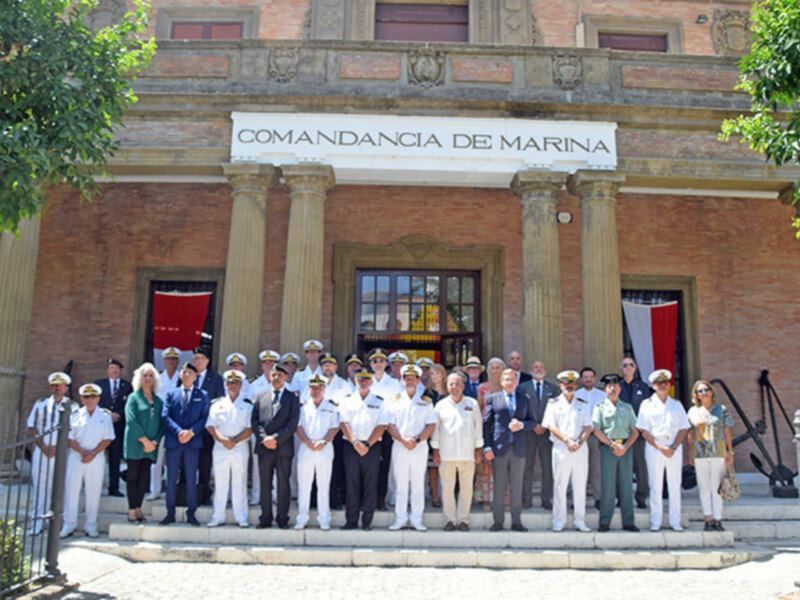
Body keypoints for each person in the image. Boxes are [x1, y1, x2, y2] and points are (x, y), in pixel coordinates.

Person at [636, 369, 689, 532]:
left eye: (666, 383)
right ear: (653, 386)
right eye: (659, 383)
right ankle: (655, 520)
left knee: (674, 485)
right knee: (655, 484)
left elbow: (683, 428)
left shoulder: (676, 405)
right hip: (654, 448)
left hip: (674, 447)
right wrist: (660, 447)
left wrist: (673, 447)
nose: (663, 385)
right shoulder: (646, 405)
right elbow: (644, 430)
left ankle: (675, 520)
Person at [483, 368, 535, 532]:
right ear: (501, 381)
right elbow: (486, 424)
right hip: (499, 448)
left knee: (516, 486)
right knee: (499, 486)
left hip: (518, 448)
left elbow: (533, 422)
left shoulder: (524, 399)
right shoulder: (493, 398)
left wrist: (522, 425)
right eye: (506, 379)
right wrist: (487, 446)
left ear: (516, 381)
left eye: (512, 379)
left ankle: (516, 521)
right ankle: (498, 521)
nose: (509, 382)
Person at [60, 383, 115, 538]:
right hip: (77, 457)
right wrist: (83, 452)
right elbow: (68, 438)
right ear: (82, 399)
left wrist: (92, 453)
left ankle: (91, 525)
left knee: (94, 491)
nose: (89, 400)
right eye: (86, 397)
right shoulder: (74, 415)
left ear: (98, 398)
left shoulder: (104, 416)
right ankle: (68, 524)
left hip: (96, 458)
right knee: (71, 491)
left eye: (93, 397)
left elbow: (108, 438)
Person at [430, 373, 483, 531]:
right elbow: (436, 430)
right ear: (447, 387)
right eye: (451, 384)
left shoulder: (472, 404)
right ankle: (449, 520)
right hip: (447, 455)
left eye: (457, 384)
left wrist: (478, 449)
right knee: (447, 488)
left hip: (468, 455)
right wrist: (435, 450)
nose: (454, 387)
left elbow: (478, 428)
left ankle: (463, 520)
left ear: (463, 386)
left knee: (467, 488)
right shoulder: (440, 405)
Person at [542, 370, 593, 532]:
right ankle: (559, 520)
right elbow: (551, 426)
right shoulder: (553, 404)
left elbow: (588, 426)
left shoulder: (582, 403)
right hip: (561, 448)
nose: (569, 387)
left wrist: (578, 442)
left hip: (579, 448)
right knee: (560, 485)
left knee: (580, 485)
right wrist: (567, 440)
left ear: (576, 385)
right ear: (561, 385)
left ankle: (580, 520)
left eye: (571, 384)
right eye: (565, 384)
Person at [338, 368, 389, 530]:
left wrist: (367, 444)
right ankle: (351, 520)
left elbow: (382, 425)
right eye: (360, 379)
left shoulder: (380, 401)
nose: (363, 382)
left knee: (370, 484)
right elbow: (343, 423)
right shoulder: (346, 401)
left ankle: (367, 521)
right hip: (351, 446)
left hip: (372, 447)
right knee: (351, 483)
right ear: (355, 381)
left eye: (366, 380)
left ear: (371, 382)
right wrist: (355, 442)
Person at [387, 365, 436, 531]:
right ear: (402, 380)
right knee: (400, 485)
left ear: (417, 380)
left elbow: (431, 424)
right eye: (406, 378)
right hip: (400, 446)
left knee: (417, 484)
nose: (410, 381)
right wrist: (402, 439)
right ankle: (400, 518)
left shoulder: (425, 401)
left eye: (413, 378)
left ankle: (416, 519)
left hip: (419, 447)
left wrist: (416, 439)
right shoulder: (394, 401)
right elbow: (390, 425)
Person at [161, 362, 209, 526]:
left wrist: (191, 433)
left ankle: (191, 512)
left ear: (195, 377)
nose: (187, 374)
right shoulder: (171, 394)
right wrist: (179, 432)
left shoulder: (202, 395)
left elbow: (204, 418)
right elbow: (165, 416)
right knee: (171, 478)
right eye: (184, 372)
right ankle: (170, 512)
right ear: (180, 375)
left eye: (190, 372)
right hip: (175, 441)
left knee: (190, 478)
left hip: (192, 442)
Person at [252, 363, 299, 529]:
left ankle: (282, 518)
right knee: (265, 483)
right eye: (274, 374)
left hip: (283, 447)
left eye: (280, 375)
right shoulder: (260, 396)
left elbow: (292, 422)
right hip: (264, 447)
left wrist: (276, 439)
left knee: (283, 485)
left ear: (286, 378)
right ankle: (265, 517)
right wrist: (265, 438)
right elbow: (255, 421)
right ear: (270, 377)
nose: (277, 377)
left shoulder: (292, 398)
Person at [592, 373, 640, 532]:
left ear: (620, 389)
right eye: (609, 386)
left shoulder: (627, 407)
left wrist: (625, 447)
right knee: (608, 486)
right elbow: (597, 430)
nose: (613, 389)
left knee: (626, 485)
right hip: (608, 448)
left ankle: (629, 522)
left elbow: (634, 431)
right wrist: (612, 444)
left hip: (625, 449)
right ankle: (604, 521)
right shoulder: (599, 407)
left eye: (616, 386)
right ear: (605, 389)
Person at [205, 370, 253, 528]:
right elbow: (210, 425)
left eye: (236, 382)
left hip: (240, 447)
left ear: (240, 385)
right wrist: (223, 440)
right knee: (220, 482)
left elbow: (250, 427)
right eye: (230, 382)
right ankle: (218, 515)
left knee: (240, 481)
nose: (233, 385)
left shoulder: (247, 405)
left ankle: (241, 516)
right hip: (220, 447)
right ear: (226, 385)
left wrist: (236, 440)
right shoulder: (217, 404)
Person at [27, 372, 72, 536]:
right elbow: (31, 428)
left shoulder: (72, 407)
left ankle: (59, 522)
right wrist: (43, 446)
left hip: (62, 452)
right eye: (54, 385)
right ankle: (38, 521)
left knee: (61, 487)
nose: (57, 388)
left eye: (60, 386)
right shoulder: (40, 405)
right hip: (42, 450)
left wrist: (59, 447)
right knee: (40, 486)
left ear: (66, 388)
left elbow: (74, 432)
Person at [687, 380, 735, 531]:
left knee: (717, 489)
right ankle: (707, 519)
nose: (704, 393)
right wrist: (690, 453)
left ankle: (717, 519)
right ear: (696, 395)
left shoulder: (721, 409)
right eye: (700, 391)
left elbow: (727, 431)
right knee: (704, 488)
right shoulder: (693, 411)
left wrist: (730, 451)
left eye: (706, 389)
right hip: (700, 454)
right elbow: (690, 433)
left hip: (718, 452)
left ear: (712, 391)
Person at [295, 375, 340, 530]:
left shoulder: (331, 406)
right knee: (304, 485)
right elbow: (298, 427)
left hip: (325, 449)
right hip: (306, 448)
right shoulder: (302, 406)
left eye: (319, 388)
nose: (316, 390)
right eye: (313, 388)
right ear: (309, 389)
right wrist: (307, 441)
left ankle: (324, 518)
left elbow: (334, 427)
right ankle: (302, 517)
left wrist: (324, 441)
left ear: (324, 389)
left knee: (323, 485)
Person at [124, 362, 164, 524]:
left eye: (150, 375)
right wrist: (144, 441)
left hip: (151, 446)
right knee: (132, 476)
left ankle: (139, 508)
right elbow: (131, 421)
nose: (148, 378)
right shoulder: (133, 398)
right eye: (145, 376)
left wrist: (154, 441)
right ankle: (131, 510)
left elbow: (162, 424)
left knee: (143, 478)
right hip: (135, 443)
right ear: (139, 379)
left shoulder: (159, 401)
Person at [518, 360, 559, 510]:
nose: (538, 369)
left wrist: (545, 425)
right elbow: (520, 408)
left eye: (541, 367)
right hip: (529, 432)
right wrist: (533, 425)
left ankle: (546, 498)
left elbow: (556, 410)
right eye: (535, 367)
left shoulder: (553, 388)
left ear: (545, 370)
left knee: (547, 466)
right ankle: (526, 498)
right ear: (530, 370)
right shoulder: (523, 388)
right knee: (527, 466)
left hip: (547, 433)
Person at [368, 348, 403, 511]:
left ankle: (380, 500)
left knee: (384, 466)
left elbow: (398, 407)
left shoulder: (395, 384)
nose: (378, 364)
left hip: (387, 430)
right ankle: (366, 500)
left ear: (386, 364)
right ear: (371, 364)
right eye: (375, 361)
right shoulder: (365, 381)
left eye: (381, 361)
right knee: (367, 467)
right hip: (369, 430)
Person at [248, 349, 281, 505]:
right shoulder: (254, 385)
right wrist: (260, 434)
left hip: (278, 435)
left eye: (272, 362)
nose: (269, 365)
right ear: (261, 365)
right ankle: (257, 495)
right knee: (257, 466)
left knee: (278, 466)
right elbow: (251, 412)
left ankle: (274, 495)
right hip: (259, 433)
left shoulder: (284, 384)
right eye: (266, 362)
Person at [147, 347, 180, 501]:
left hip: (176, 424)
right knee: (156, 459)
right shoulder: (157, 380)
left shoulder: (182, 378)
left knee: (174, 459)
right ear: (164, 361)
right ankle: (155, 490)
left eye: (174, 360)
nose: (171, 362)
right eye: (168, 359)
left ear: (178, 361)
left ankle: (172, 490)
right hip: (160, 425)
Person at [96, 358, 132, 497]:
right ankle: (96, 486)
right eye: (112, 368)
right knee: (98, 456)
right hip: (101, 426)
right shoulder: (99, 385)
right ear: (107, 370)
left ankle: (114, 487)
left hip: (118, 426)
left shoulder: (127, 386)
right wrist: (108, 415)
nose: (115, 370)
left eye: (117, 368)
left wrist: (119, 415)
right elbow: (96, 404)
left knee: (115, 458)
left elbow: (129, 406)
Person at [193, 347, 224, 506]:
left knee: (205, 463)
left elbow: (219, 401)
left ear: (207, 361)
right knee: (188, 464)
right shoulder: (187, 376)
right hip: (190, 428)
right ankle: (188, 494)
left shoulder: (216, 379)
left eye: (201, 358)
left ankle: (204, 495)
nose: (198, 361)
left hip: (206, 428)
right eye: (196, 358)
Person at [619, 356, 652, 508]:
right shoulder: (617, 386)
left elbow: (647, 410)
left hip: (638, 433)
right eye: (625, 365)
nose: (628, 367)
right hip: (621, 433)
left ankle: (641, 497)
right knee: (621, 467)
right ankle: (621, 497)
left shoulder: (643, 387)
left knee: (640, 466)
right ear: (621, 368)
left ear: (635, 368)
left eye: (630, 365)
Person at [475, 358, 504, 510]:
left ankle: (503, 498)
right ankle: (486, 497)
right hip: (486, 427)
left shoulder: (508, 386)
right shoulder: (483, 387)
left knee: (502, 463)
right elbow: (479, 409)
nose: (495, 370)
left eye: (498, 367)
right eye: (492, 367)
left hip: (501, 428)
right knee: (486, 464)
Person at [575, 367, 606, 509]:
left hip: (595, 436)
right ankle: (577, 499)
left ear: (595, 378)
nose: (588, 379)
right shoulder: (575, 395)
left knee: (596, 469)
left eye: (590, 377)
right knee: (578, 469)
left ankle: (598, 498)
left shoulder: (602, 395)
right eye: (585, 377)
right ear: (581, 380)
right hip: (579, 436)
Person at [425, 363, 448, 508]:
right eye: (432, 374)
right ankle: (434, 495)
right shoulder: (427, 393)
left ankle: (447, 495)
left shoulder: (449, 391)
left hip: (448, 432)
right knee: (433, 465)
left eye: (437, 373)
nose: (435, 377)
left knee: (447, 465)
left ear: (443, 375)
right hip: (432, 432)